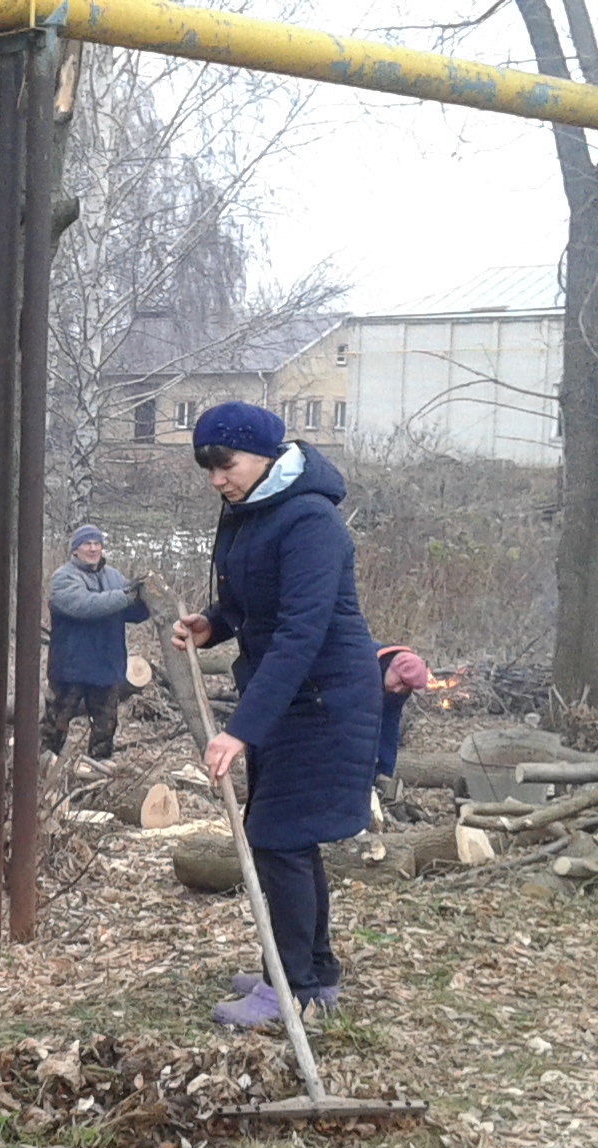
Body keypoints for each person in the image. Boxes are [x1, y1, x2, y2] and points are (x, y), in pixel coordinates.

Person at [167, 403, 381, 1033]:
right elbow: (248, 601)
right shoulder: (250, 511)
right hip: (289, 696)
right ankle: (313, 973)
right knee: (288, 836)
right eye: (205, 466)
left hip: (324, 699)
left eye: (223, 464)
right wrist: (213, 623)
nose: (215, 479)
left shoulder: (311, 520)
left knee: (277, 837)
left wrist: (239, 730)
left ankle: (291, 990)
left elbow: (299, 632)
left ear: (264, 455)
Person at [43, 526, 151, 759]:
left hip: (106, 668)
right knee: (55, 726)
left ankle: (97, 773)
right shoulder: (63, 578)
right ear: (75, 549)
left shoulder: (114, 577)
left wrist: (147, 599)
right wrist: (126, 595)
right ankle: (41, 772)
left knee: (105, 729)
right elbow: (85, 605)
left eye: (96, 543)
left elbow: (130, 613)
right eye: (86, 543)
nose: (92, 548)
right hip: (70, 668)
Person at [375, 645, 431, 780]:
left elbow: (389, 726)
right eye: (399, 682)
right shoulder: (362, 662)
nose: (397, 690)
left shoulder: (399, 691)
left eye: (405, 688)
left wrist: (385, 770)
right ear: (393, 667)